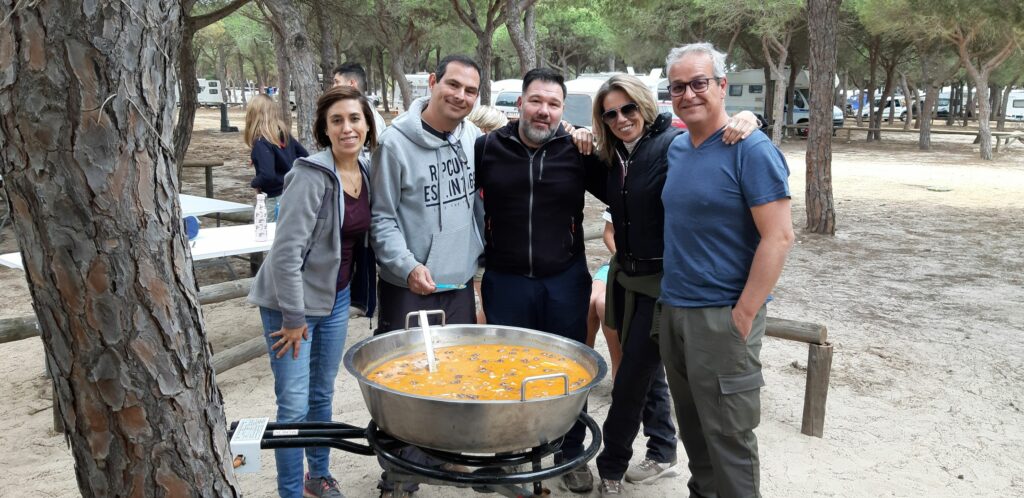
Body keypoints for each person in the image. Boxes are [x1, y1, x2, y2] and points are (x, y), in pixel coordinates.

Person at [590, 73, 759, 497]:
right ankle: (664, 450)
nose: (621, 118)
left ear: (645, 105)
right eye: (610, 113)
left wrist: (750, 118)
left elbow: (719, 143)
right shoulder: (612, 158)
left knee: (631, 376)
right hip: (627, 279)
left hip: (666, 285)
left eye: (628, 108)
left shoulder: (672, 146)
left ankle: (610, 467)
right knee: (648, 373)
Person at [660, 43, 795, 498]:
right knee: (695, 433)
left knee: (729, 438)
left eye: (700, 82)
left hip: (722, 317)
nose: (689, 93)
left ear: (722, 85)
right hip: (675, 311)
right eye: (679, 86)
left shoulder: (751, 149)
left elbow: (779, 237)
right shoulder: (678, 148)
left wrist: (744, 313)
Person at [474, 67, 607, 493]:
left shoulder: (579, 150)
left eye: (553, 104)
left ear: (562, 110)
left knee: (569, 370)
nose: (544, 111)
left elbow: (634, 172)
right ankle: (508, 456)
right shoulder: (486, 148)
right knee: (507, 371)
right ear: (520, 104)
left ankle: (569, 453)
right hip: (506, 280)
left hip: (564, 280)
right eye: (536, 101)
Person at [247, 85, 379, 498]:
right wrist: (294, 319)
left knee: (322, 396)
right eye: (336, 120)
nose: (347, 128)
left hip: (335, 299)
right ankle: (290, 491)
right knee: (293, 407)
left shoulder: (367, 170)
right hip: (291, 305)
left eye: (354, 118)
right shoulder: (309, 174)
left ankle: (317, 477)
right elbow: (285, 255)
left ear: (367, 125)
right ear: (324, 129)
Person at [369, 54, 484, 497]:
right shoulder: (394, 143)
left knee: (455, 375)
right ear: (433, 82)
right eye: (453, 85)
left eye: (470, 91)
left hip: (458, 284)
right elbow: (383, 219)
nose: (460, 96)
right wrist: (406, 265)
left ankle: (447, 455)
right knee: (405, 383)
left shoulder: (472, 136)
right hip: (411, 286)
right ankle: (399, 475)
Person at [465, 105, 510, 324]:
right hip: (476, 258)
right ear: (483, 132)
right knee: (489, 313)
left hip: (492, 257)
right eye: (497, 133)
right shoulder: (468, 169)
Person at [244, 93, 309, 222]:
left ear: (252, 116)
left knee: (269, 237)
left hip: (275, 198)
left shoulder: (261, 142)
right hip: (292, 193)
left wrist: (255, 183)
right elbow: (304, 156)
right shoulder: (284, 134)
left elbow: (268, 175)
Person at [585, 210, 621, 378]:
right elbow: (608, 234)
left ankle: (618, 368)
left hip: (633, 268)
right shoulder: (619, 190)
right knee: (588, 301)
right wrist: (619, 257)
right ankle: (586, 363)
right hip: (614, 262)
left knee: (604, 304)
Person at [333, 62, 387, 139]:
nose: (333, 87)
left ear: (351, 83)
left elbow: (373, 149)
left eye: (337, 82)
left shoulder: (373, 119)